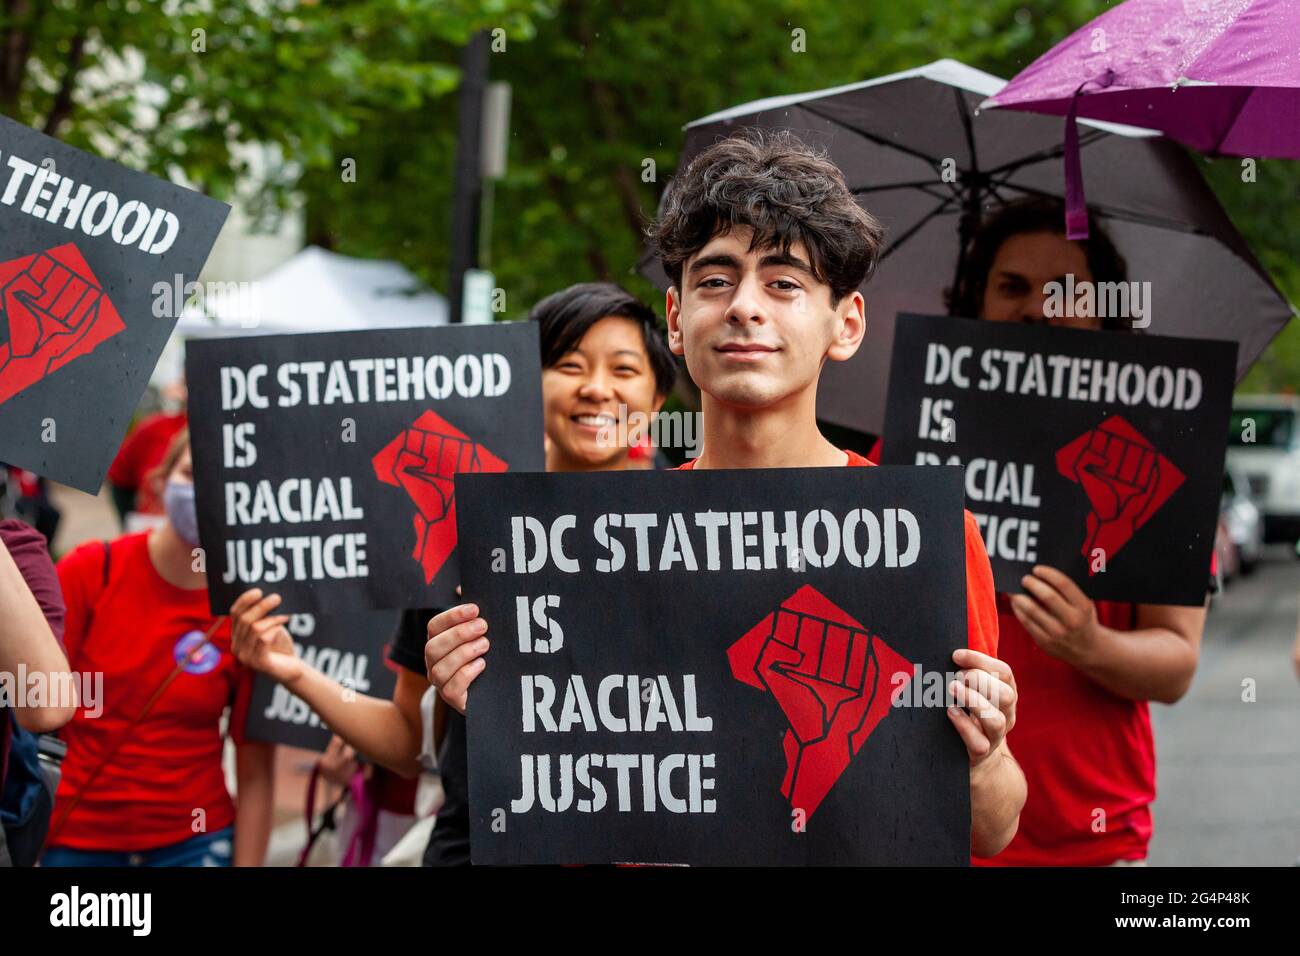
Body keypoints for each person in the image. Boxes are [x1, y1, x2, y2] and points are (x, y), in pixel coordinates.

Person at [423, 131, 1026, 858]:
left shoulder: (925, 537)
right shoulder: (595, 550)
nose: (744, 306)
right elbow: (551, 816)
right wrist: (490, 710)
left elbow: (992, 831)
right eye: (715, 279)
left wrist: (987, 755)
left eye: (784, 282)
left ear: (847, 324)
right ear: (677, 319)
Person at [229, 282, 678, 866]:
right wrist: (292, 671)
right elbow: (403, 739)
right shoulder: (462, 527)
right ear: (525, 383)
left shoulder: (686, 539)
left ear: (658, 396)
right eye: (569, 365)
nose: (596, 388)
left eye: (623, 369)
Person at [949, 197, 1206, 867]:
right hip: (941, 834)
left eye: (1066, 291)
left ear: (1106, 312)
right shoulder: (918, 447)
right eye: (1012, 287)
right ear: (975, 304)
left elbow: (1177, 665)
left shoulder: (1154, 461)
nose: (1037, 307)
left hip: (1090, 840)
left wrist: (1087, 643)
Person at [41, 430, 275, 867]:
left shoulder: (249, 609)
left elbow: (256, 768)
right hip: (74, 836)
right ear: (159, 483)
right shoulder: (91, 571)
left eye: (221, 477)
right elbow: (33, 715)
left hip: (195, 840)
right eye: (191, 472)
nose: (204, 488)